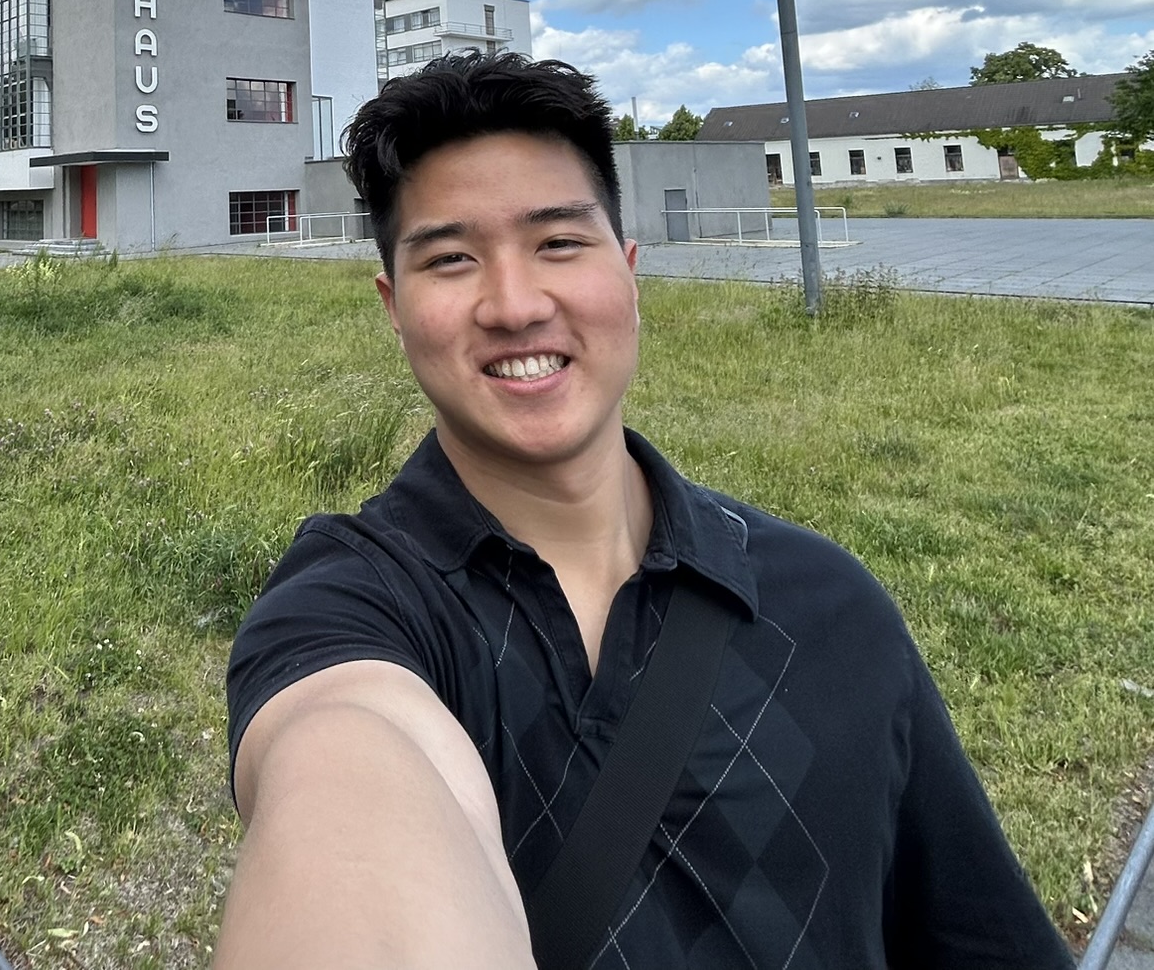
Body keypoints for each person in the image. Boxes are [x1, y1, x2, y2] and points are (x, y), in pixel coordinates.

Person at [218, 53, 1068, 970]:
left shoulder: (830, 605)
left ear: (629, 272)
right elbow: (344, 753)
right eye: (452, 258)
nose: (514, 305)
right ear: (393, 306)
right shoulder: (353, 606)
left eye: (559, 243)